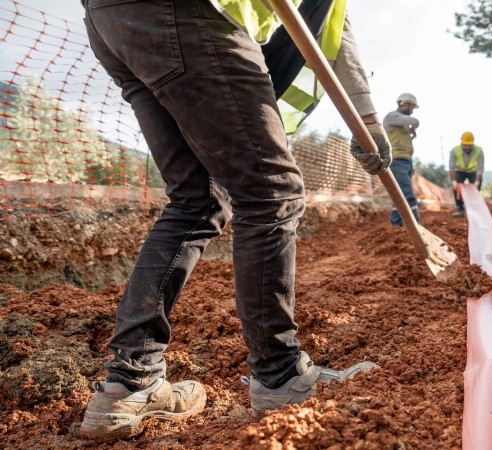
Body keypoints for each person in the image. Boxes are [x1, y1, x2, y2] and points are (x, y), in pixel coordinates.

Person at [79, 0, 388, 440]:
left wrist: (369, 118)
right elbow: (334, 29)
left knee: (196, 200)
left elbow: (334, 26)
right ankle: (279, 374)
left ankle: (129, 382)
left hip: (112, 20)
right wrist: (369, 118)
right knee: (271, 193)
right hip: (187, 14)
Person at [383, 93, 420, 227]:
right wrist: (413, 128)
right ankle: (414, 225)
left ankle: (396, 223)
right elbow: (415, 122)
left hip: (405, 160)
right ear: (405, 104)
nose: (412, 111)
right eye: (412, 107)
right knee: (407, 193)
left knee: (400, 195)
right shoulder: (391, 117)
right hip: (397, 160)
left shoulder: (402, 123)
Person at [449, 131, 484, 217]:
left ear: (473, 144)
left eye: (469, 145)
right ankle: (460, 208)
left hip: (473, 171)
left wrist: (476, 182)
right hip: (460, 171)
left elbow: (480, 169)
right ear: (461, 143)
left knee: (475, 189)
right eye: (465, 145)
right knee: (457, 187)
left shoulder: (479, 151)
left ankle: (474, 208)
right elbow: (451, 168)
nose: (467, 147)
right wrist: (454, 181)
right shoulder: (454, 151)